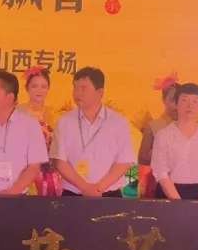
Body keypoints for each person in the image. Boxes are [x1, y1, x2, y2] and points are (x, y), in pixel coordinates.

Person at [51, 67, 135, 197]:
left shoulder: (118, 122)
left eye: (84, 88)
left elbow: (123, 161)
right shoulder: (64, 121)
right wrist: (85, 187)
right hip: (73, 193)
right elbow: (59, 161)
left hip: (109, 194)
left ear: (100, 92)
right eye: (75, 87)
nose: (78, 93)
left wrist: (99, 188)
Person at [151, 83, 198, 200]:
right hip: (168, 195)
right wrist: (178, 203)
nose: (190, 105)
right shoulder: (163, 135)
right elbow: (160, 172)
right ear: (176, 104)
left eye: (195, 101)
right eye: (184, 100)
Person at [17, 65, 61, 196]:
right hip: (22, 170)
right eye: (34, 86)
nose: (39, 91)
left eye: (43, 86)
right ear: (27, 88)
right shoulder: (18, 112)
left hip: (48, 171)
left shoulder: (53, 114)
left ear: (48, 88)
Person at [138, 77, 179, 166]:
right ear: (163, 99)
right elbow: (142, 160)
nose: (176, 105)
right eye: (172, 100)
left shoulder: (189, 127)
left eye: (179, 100)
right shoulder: (151, 127)